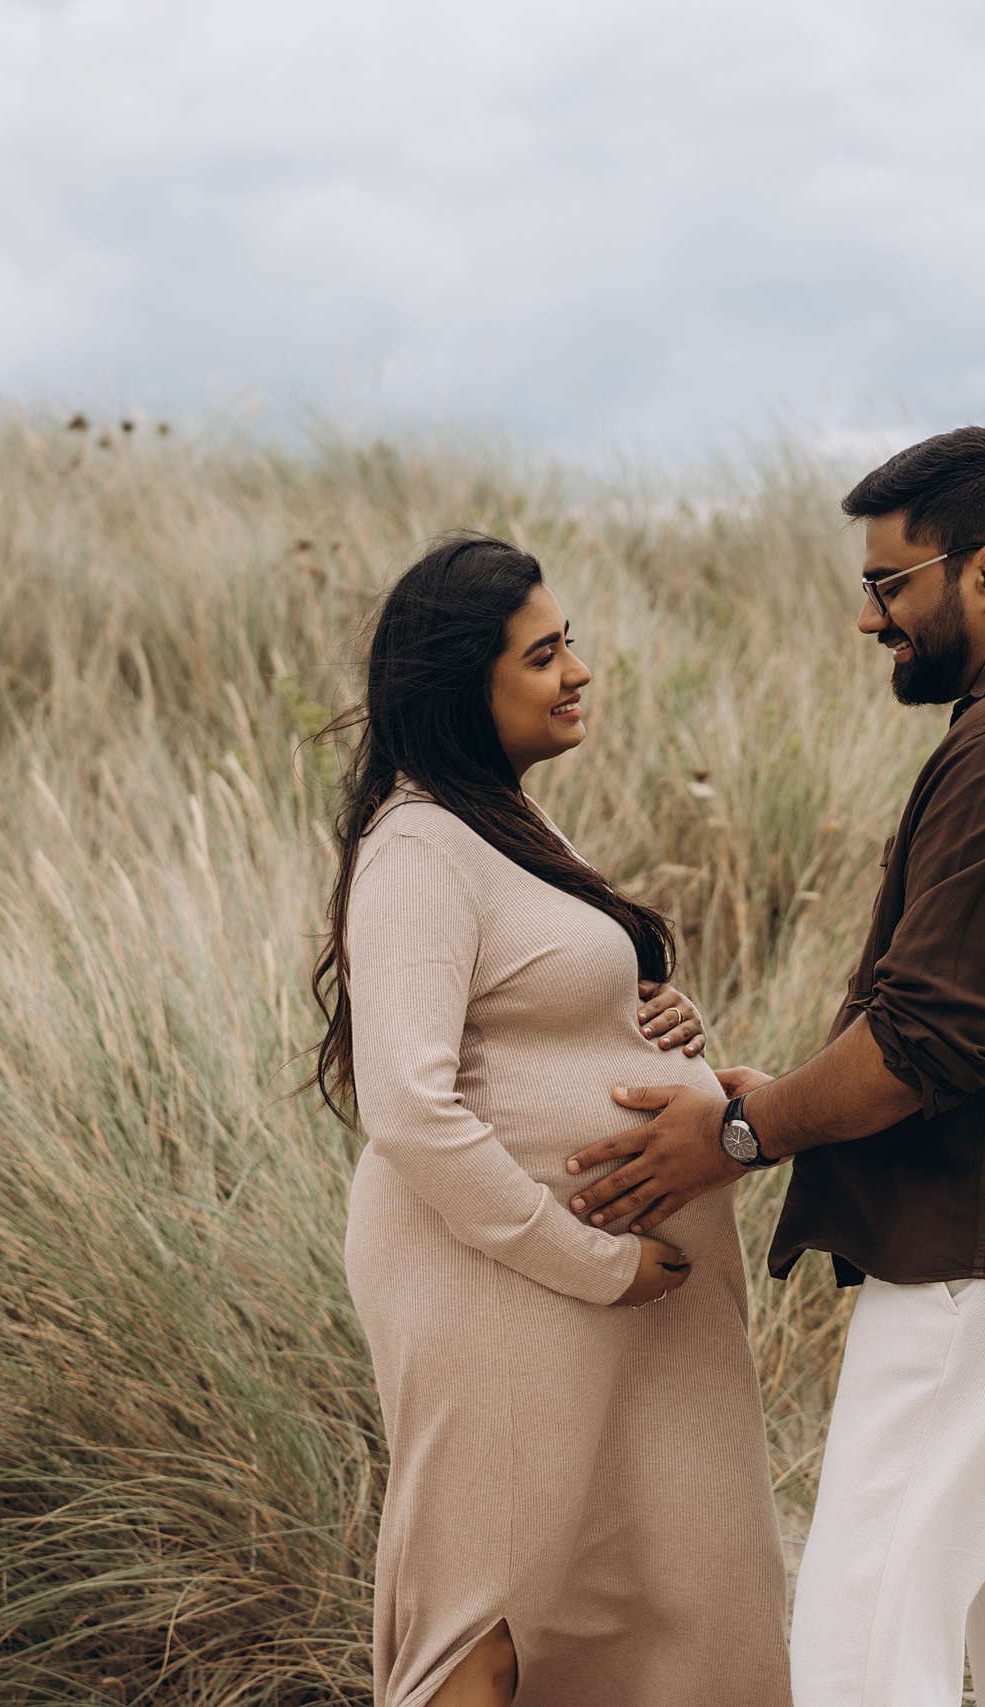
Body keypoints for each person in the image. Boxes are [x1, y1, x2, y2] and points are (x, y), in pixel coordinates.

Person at [563, 429, 985, 1707]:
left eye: (889, 583)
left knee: (862, 1657)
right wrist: (783, 1095)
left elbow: (924, 1042)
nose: (870, 617)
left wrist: (741, 1134)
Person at [315, 534, 792, 1707]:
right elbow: (407, 1108)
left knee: (634, 1587)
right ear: (459, 684)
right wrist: (592, 1263)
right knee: (490, 1616)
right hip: (500, 1277)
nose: (576, 671)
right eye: (541, 655)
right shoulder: (416, 847)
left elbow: (537, 1008)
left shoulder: (504, 827)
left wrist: (659, 1029)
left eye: (568, 643)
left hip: (596, 1287)